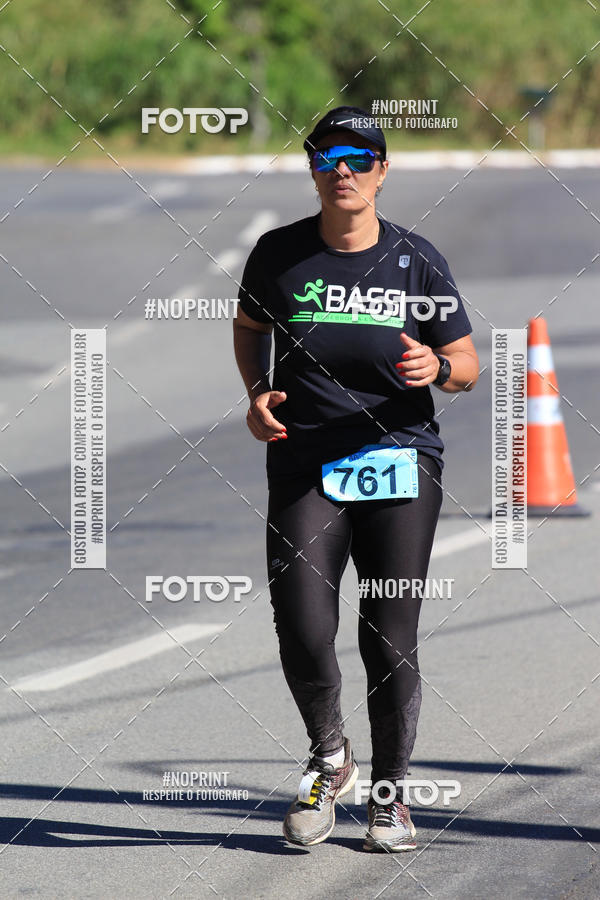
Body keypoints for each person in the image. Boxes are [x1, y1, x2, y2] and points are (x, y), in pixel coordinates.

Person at [233, 105, 479, 852]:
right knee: (303, 622)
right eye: (327, 158)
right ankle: (330, 755)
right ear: (312, 169)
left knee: (387, 631)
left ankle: (391, 796)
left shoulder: (416, 260)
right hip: (305, 456)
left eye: (360, 158)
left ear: (382, 170)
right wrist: (255, 395)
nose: (343, 171)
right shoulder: (276, 255)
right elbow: (248, 329)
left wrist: (436, 367)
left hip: (401, 456)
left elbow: (467, 365)